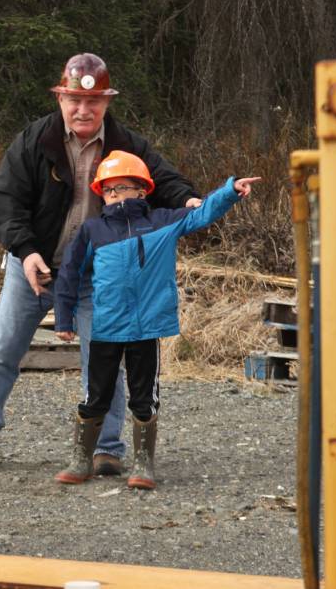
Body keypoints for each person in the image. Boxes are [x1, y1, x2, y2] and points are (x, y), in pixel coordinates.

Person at [0, 53, 203, 473]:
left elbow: (166, 181)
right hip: (33, 265)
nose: (83, 110)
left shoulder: (128, 145)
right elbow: (7, 202)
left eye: (93, 102)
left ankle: (108, 448)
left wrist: (189, 200)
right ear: (61, 98)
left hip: (97, 276)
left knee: (104, 358)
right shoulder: (34, 141)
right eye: (74, 101)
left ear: (106, 102)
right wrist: (26, 251)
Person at [52, 151, 261, 489]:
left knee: (143, 398)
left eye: (123, 187)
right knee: (95, 396)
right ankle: (81, 460)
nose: (116, 195)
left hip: (146, 329)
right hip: (106, 327)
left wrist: (230, 191)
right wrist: (64, 318)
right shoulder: (93, 230)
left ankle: (143, 464)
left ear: (143, 190)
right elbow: (70, 274)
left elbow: (203, 213)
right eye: (109, 189)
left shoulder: (163, 221)